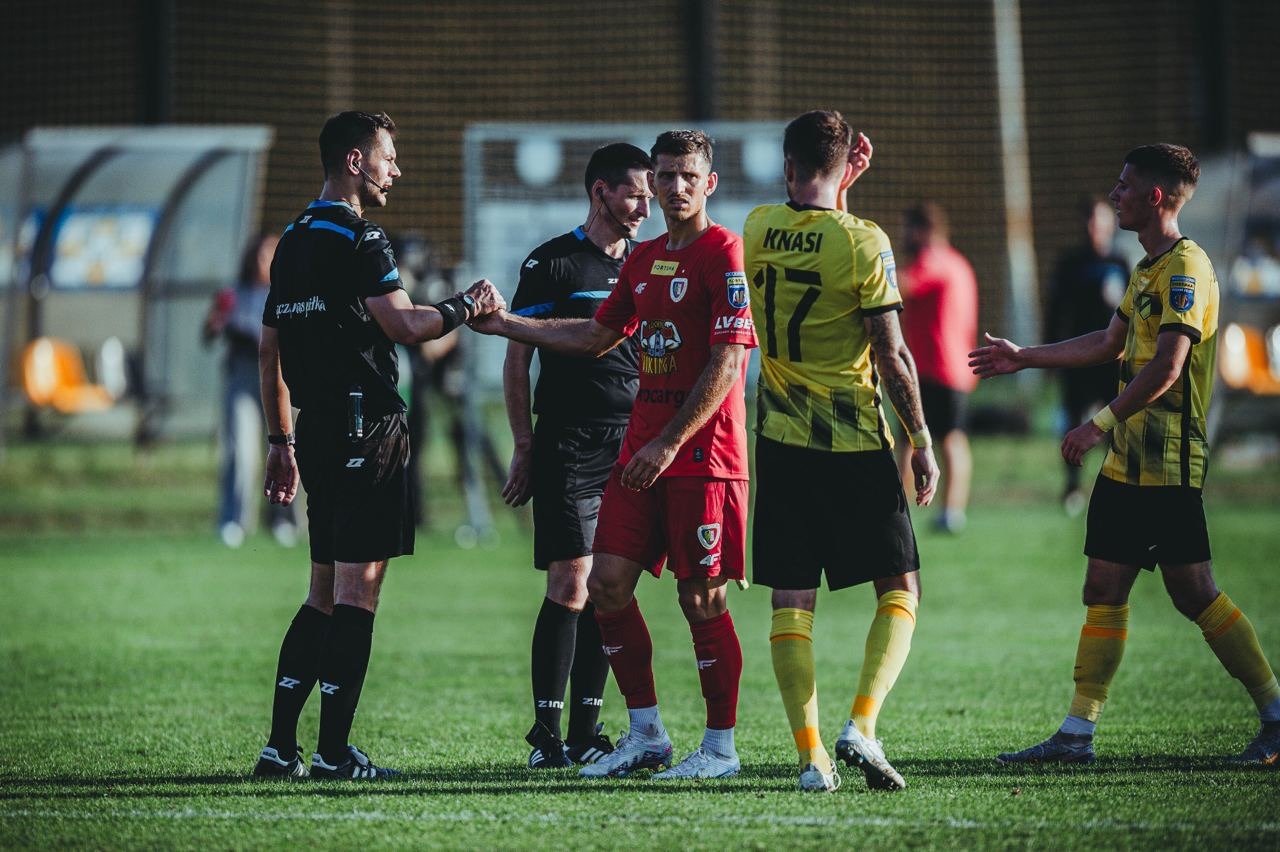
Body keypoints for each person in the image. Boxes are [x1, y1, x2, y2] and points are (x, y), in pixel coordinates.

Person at [971, 143, 1280, 766]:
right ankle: (1076, 734)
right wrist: (1024, 357)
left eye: (1123, 185)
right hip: (1126, 465)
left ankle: (1275, 712)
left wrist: (1097, 425)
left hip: (1167, 463)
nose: (1114, 195)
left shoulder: (1187, 268)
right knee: (1103, 587)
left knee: (1194, 593)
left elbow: (1168, 366)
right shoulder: (1144, 268)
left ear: (1154, 196)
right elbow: (1111, 343)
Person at [475, 130, 756, 780]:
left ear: (709, 184)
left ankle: (720, 748)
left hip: (701, 456)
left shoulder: (723, 251)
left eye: (688, 176)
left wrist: (668, 441)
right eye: (665, 176)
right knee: (603, 584)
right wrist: (507, 324)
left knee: (701, 599)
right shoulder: (645, 259)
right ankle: (646, 734)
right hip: (638, 455)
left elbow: (728, 361)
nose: (674, 188)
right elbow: (597, 334)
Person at [251, 110, 504, 780]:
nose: (397, 169)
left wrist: (279, 441)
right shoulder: (361, 236)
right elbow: (406, 326)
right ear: (355, 160)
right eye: (388, 157)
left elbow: (270, 350)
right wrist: (468, 304)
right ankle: (334, 754)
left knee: (322, 593)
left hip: (315, 429)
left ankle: (280, 747)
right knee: (357, 595)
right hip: (368, 428)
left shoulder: (292, 240)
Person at [744, 110, 939, 793]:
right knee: (901, 588)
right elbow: (891, 354)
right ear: (846, 165)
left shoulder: (757, 227)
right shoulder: (866, 242)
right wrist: (921, 439)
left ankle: (811, 759)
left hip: (781, 443)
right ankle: (862, 725)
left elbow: (814, 226)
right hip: (854, 441)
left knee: (791, 599)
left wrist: (839, 180)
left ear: (787, 166)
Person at [502, 143, 653, 769]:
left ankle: (587, 733)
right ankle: (546, 736)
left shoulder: (649, 264)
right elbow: (516, 357)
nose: (646, 206)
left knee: (608, 586)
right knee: (570, 582)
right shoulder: (552, 263)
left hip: (632, 445)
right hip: (568, 441)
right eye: (635, 194)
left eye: (649, 195)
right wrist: (524, 445)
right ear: (600, 193)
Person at [203, 232, 299, 549]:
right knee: (241, 452)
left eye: (272, 254)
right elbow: (209, 333)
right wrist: (217, 321)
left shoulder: (290, 293)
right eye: (261, 255)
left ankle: (284, 519)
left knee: (289, 448)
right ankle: (234, 520)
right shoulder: (234, 294)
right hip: (245, 377)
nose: (265, 261)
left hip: (282, 378)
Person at [1045, 197, 1130, 515]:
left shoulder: (1121, 262)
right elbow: (1055, 312)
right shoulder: (1069, 264)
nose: (1095, 226)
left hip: (1113, 361)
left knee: (1116, 424)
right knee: (1073, 422)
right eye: (1090, 220)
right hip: (1078, 359)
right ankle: (1072, 488)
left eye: (1101, 219)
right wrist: (1049, 355)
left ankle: (1116, 486)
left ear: (1110, 224)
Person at [896, 202, 977, 533]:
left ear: (922, 230)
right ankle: (951, 511)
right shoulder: (959, 262)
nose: (904, 236)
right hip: (955, 366)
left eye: (907, 229)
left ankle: (902, 511)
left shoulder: (933, 259)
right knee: (948, 439)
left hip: (935, 367)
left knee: (931, 440)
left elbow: (901, 285)